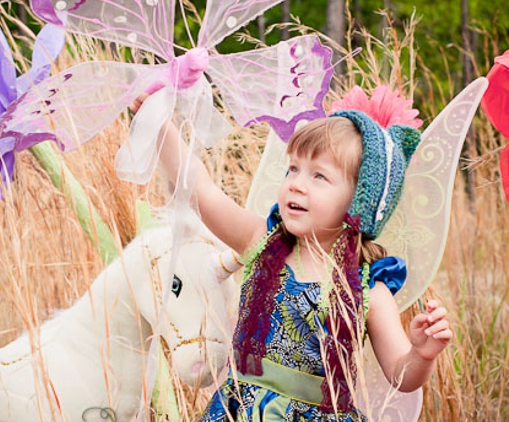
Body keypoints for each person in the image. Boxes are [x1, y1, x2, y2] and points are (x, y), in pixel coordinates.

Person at [131, 94, 453, 421]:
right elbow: (201, 189)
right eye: (294, 169)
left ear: (359, 203)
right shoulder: (262, 242)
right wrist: (160, 126)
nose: (297, 184)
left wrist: (421, 355)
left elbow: (401, 375)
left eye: (319, 176)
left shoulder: (369, 288)